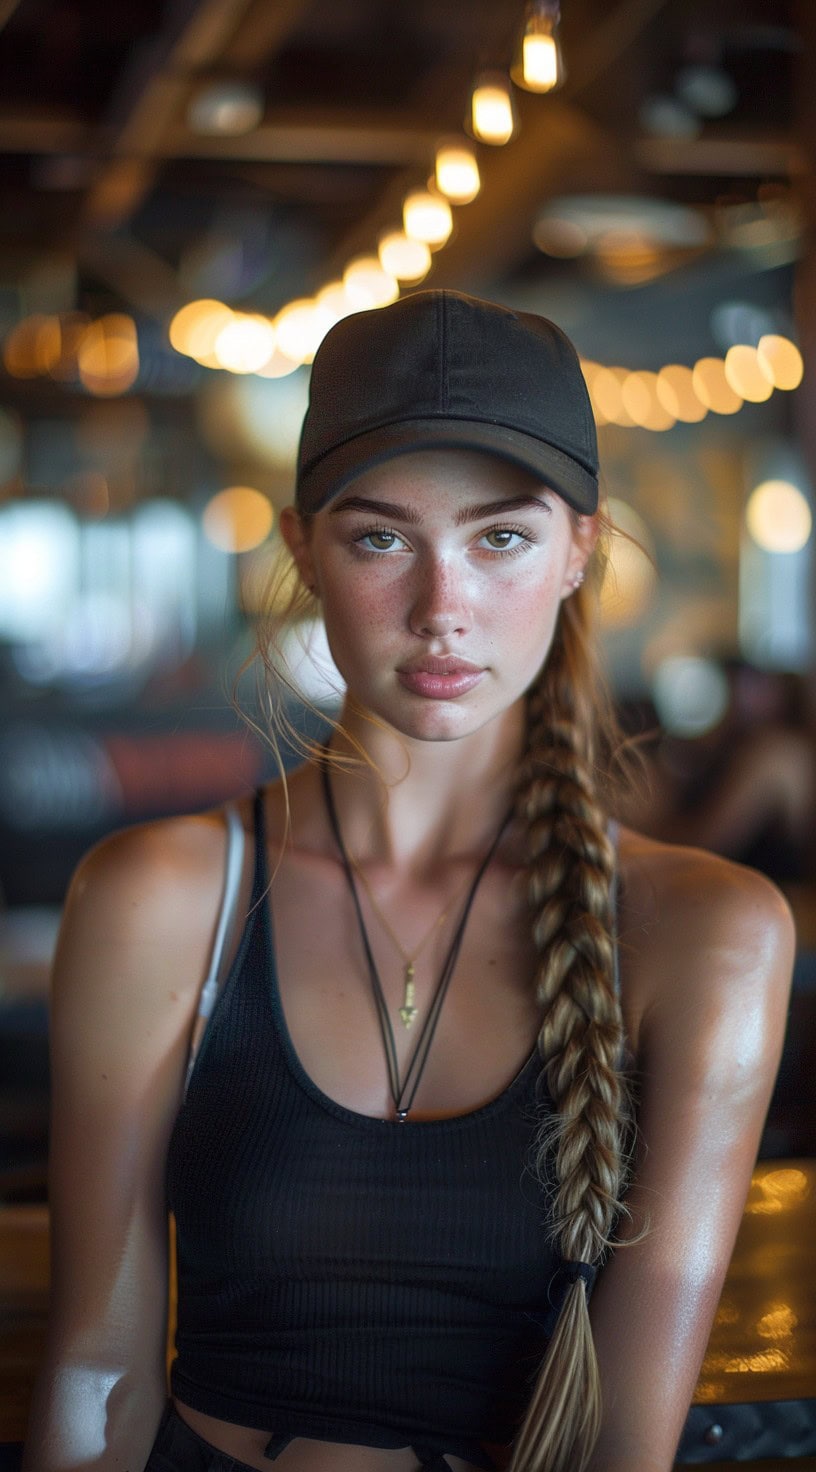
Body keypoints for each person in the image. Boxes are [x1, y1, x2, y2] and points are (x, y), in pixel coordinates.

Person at [23, 290, 794, 1472]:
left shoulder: (708, 930)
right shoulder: (165, 895)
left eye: (501, 538)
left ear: (580, 548)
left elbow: (619, 1443)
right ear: (303, 550)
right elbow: (98, 1366)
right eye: (382, 536)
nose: (444, 611)